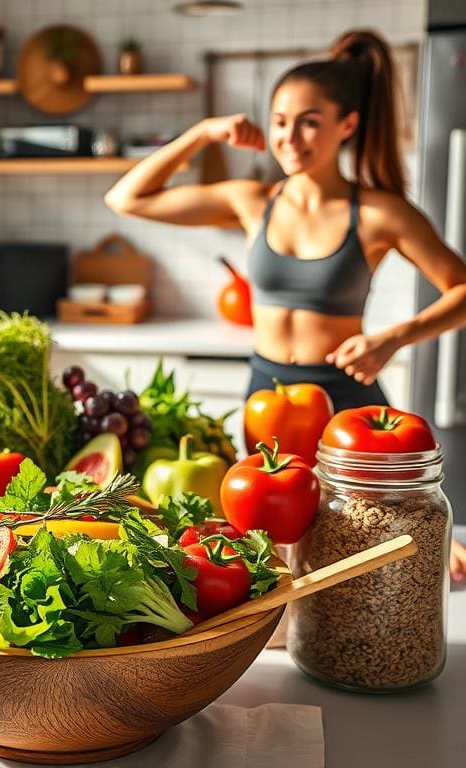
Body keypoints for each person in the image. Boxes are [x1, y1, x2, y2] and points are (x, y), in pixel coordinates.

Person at [104, 29, 466, 581]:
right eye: (279, 120)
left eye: (309, 121)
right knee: (274, 549)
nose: (289, 136)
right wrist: (203, 133)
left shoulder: (379, 212)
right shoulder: (252, 200)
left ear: (347, 125)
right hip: (266, 394)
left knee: (368, 551)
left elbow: (461, 289)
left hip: (346, 398)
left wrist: (393, 337)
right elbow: (126, 198)